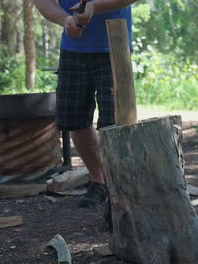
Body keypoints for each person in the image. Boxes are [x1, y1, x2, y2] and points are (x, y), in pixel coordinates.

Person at [35, 0, 138, 207]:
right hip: (73, 50)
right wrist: (66, 20)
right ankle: (100, 181)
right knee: (76, 121)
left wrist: (95, 6)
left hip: (114, 45)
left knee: (116, 123)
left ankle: (123, 187)